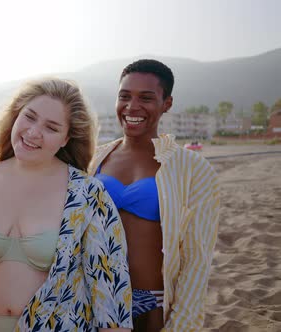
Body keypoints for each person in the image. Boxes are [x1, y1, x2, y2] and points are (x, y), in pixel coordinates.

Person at [0, 78, 133, 331]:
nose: (33, 132)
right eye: (29, 117)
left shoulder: (87, 193)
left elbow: (110, 290)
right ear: (16, 116)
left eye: (51, 127)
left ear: (66, 139)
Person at [90, 59, 220, 331]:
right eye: (124, 96)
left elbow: (197, 259)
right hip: (92, 297)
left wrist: (181, 323)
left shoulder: (193, 169)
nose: (132, 106)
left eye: (146, 98)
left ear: (167, 104)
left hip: (152, 302)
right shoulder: (94, 160)